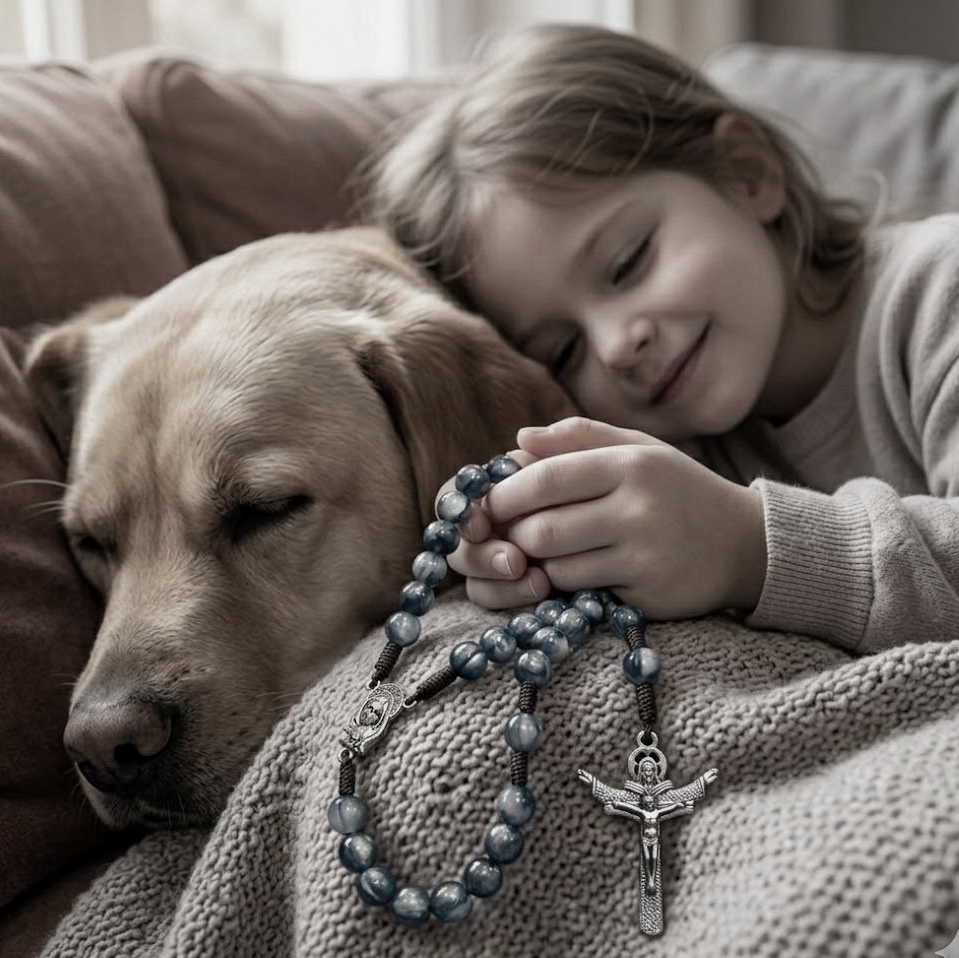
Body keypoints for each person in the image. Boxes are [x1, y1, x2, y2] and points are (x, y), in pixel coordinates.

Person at [367, 22, 959, 654]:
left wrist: (748, 547)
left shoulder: (940, 287)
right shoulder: (679, 449)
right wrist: (533, 554)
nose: (618, 345)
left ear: (747, 172)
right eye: (565, 351)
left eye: (628, 262)